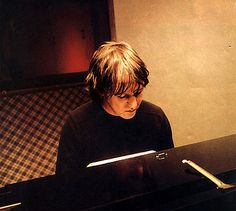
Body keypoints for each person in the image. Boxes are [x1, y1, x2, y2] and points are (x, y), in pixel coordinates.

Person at [56, 41, 174, 177]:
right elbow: (65, 183)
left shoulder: (155, 117)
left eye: (138, 92)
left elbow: (168, 171)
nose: (134, 104)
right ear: (103, 91)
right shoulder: (77, 124)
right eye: (123, 96)